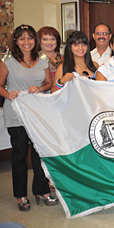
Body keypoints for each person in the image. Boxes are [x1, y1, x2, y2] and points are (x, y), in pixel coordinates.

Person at [0, 25, 57, 211]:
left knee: (39, 153)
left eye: (30, 38)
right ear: (16, 41)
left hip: (37, 113)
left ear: (35, 41)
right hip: (16, 113)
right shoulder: (7, 62)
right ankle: (21, 195)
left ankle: (41, 190)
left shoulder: (42, 61)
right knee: (19, 154)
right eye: (22, 38)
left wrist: (40, 88)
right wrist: (8, 95)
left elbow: (48, 83)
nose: (27, 42)